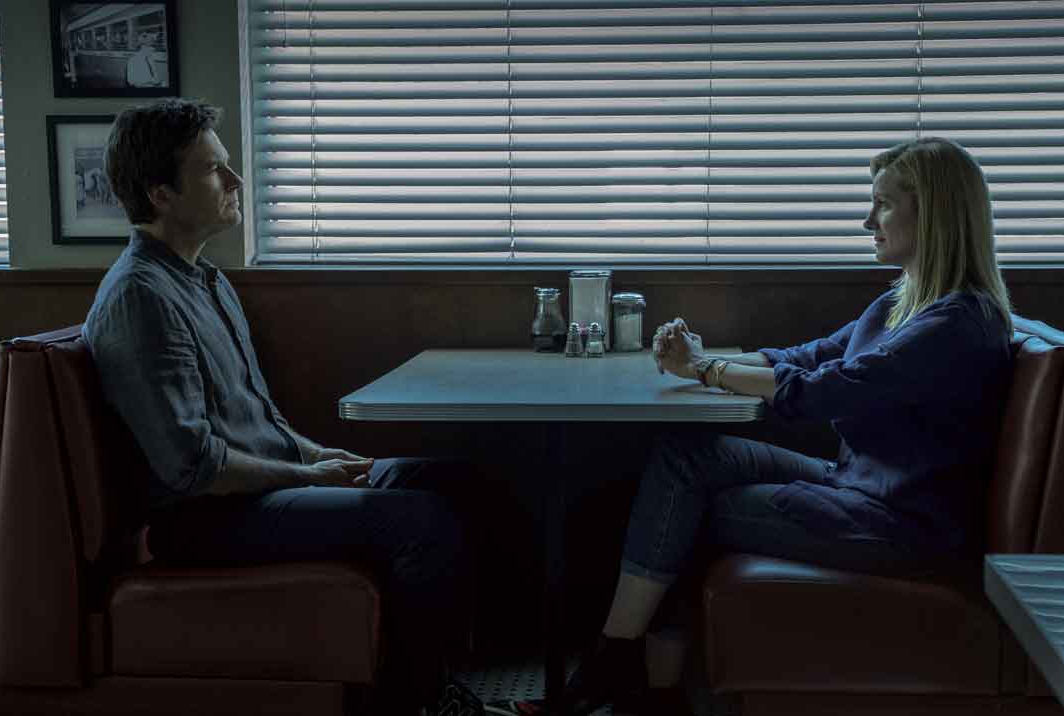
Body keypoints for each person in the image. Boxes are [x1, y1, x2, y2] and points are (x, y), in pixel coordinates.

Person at [541, 137, 1015, 716]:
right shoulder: (904, 301)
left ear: (934, 214)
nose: (868, 220)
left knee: (681, 510)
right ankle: (630, 673)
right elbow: (810, 357)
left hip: (902, 525)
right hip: (856, 485)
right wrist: (701, 360)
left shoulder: (956, 325)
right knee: (686, 456)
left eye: (884, 204)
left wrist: (708, 370)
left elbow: (826, 390)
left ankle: (633, 679)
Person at [83, 99, 489, 716]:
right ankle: (416, 703)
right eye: (212, 169)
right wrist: (307, 476)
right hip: (204, 520)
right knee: (420, 521)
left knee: (451, 481)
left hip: (255, 491)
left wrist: (319, 454)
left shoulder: (204, 280)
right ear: (160, 194)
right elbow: (192, 466)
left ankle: (457, 678)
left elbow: (256, 420)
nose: (236, 180)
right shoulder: (141, 298)